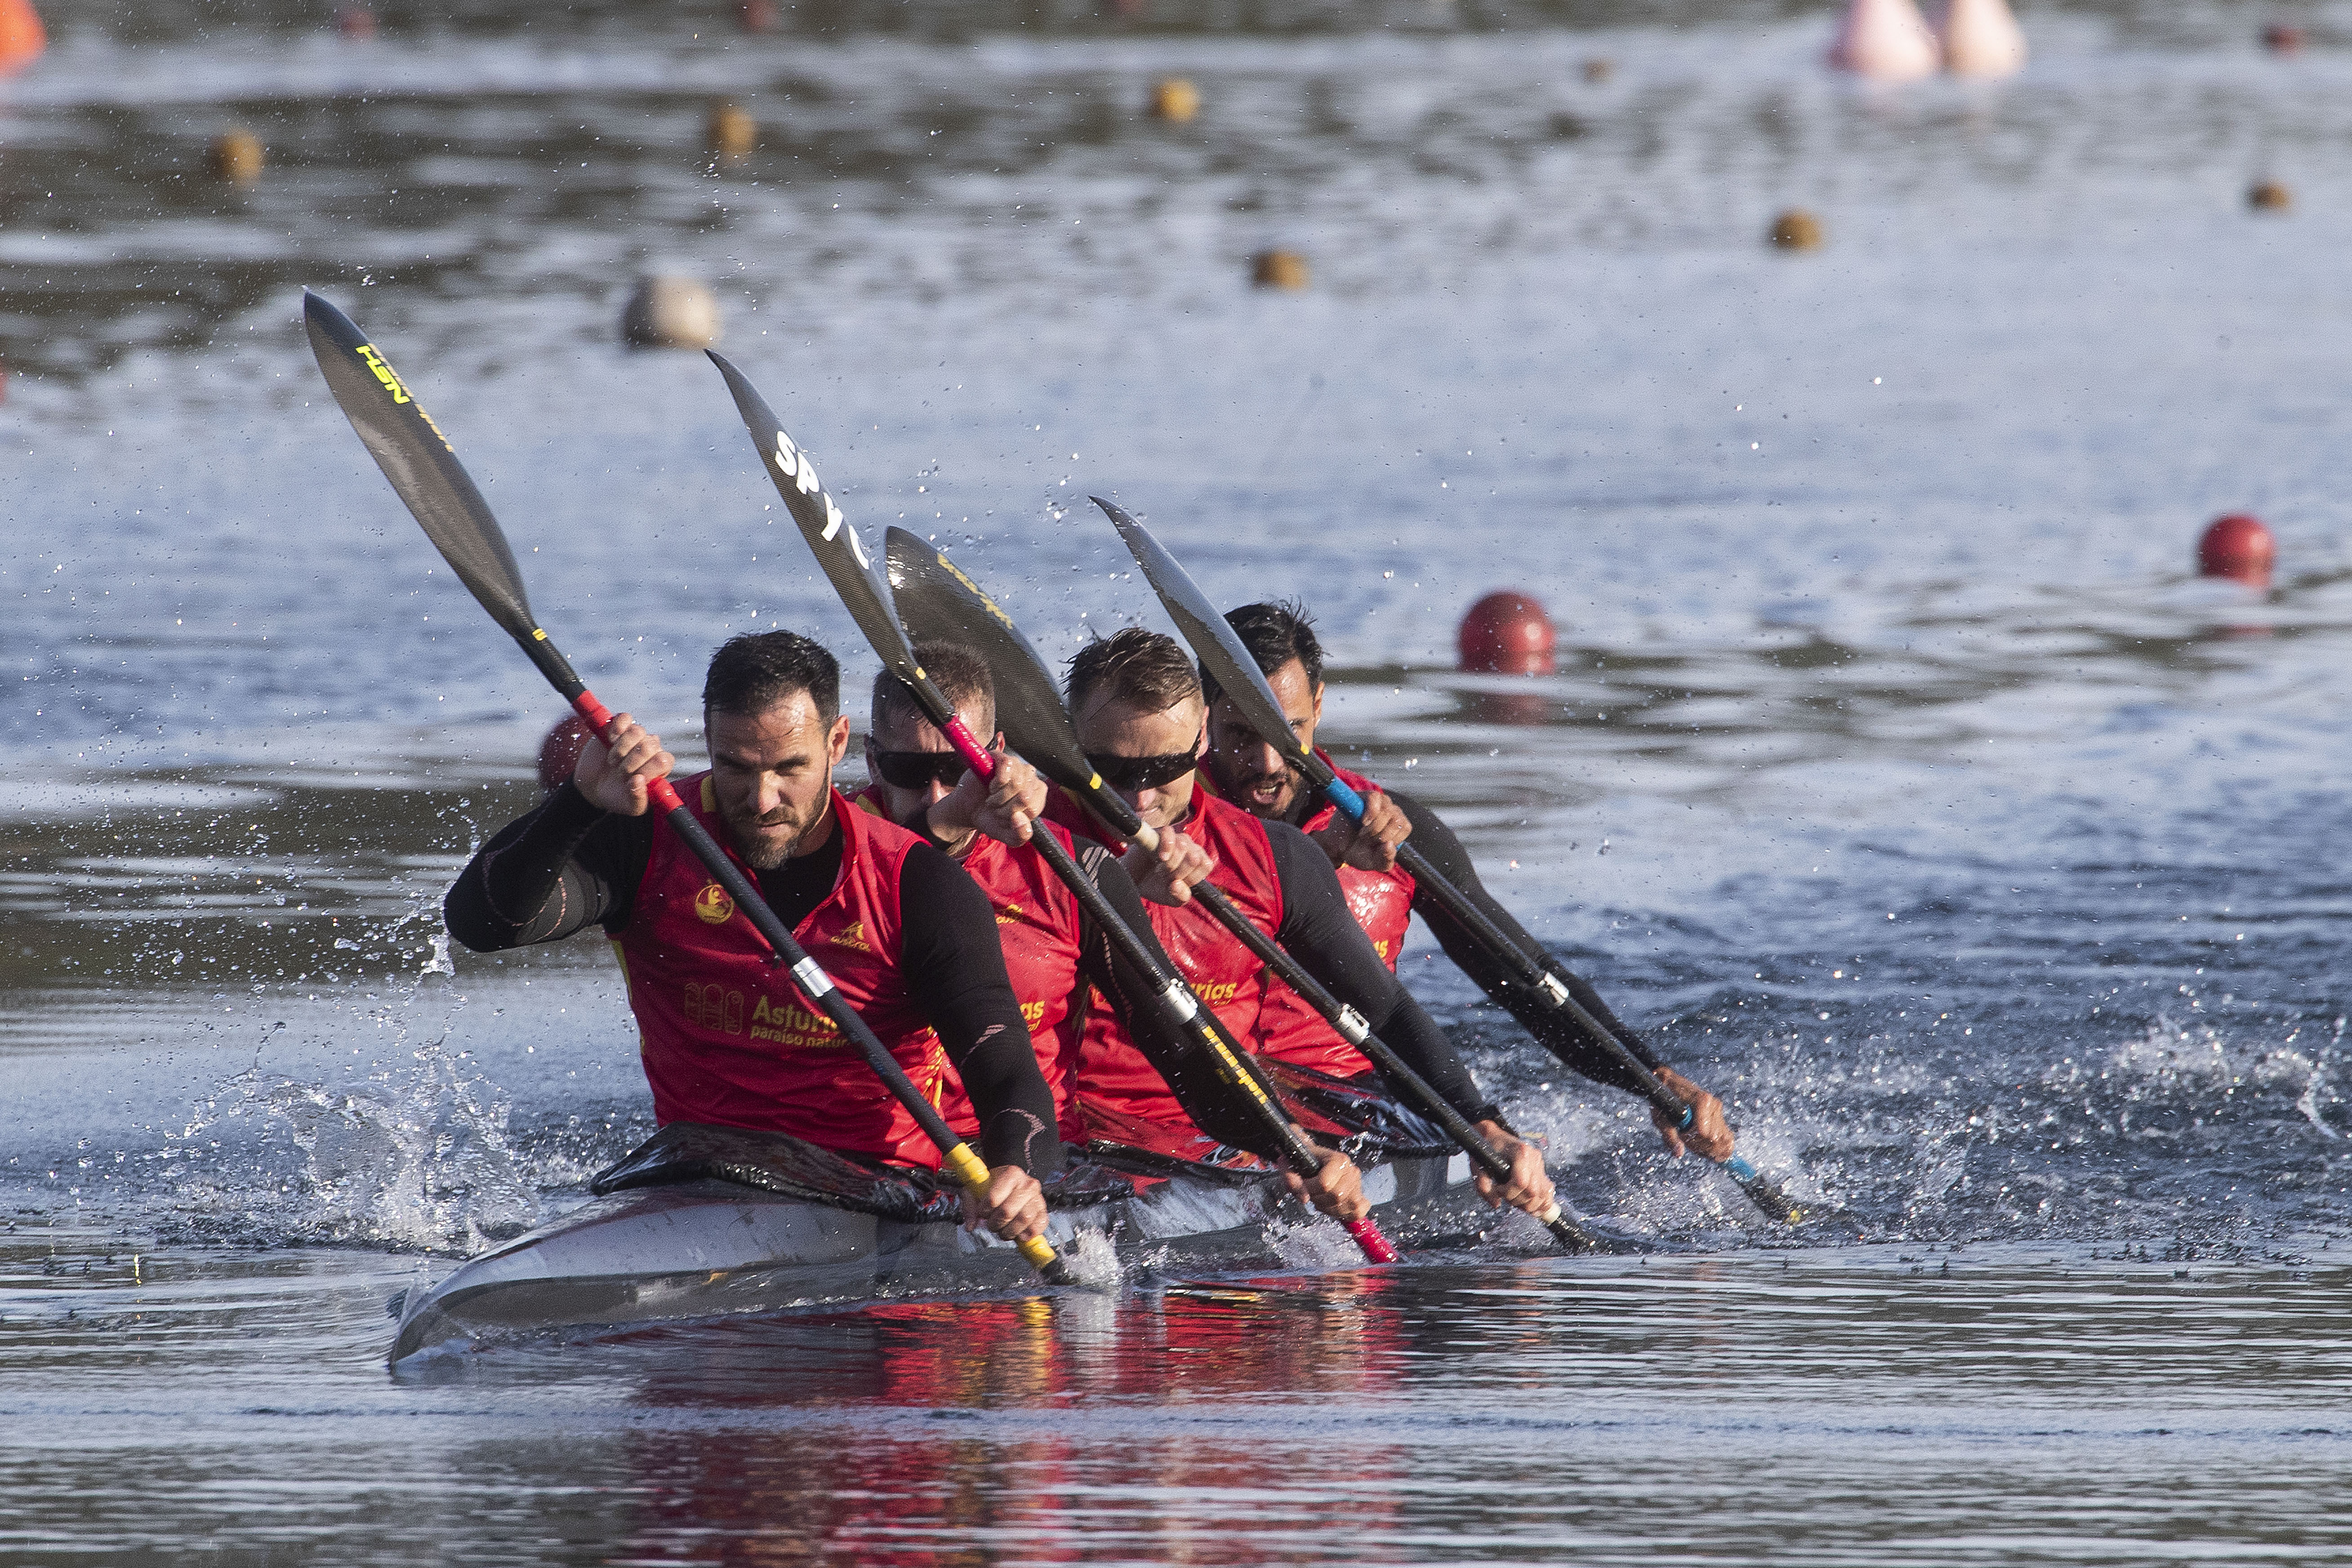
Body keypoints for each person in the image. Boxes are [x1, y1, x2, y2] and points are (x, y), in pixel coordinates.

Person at [442, 630, 1057, 1247]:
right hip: (694, 1180)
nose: (763, 800)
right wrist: (578, 804)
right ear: (707, 742)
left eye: (790, 768)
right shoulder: (649, 838)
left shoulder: (920, 884)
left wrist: (1017, 1174)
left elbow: (1005, 1071)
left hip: (876, 1195)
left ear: (837, 743)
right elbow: (484, 924)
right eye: (736, 767)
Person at [1198, 600, 1735, 1161]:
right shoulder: (1161, 839)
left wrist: (1649, 1074)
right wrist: (1320, 859)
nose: (1266, 763)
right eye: (1241, 733)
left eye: (1289, 731)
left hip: (1346, 1098)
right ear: (1203, 716)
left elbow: (1521, 978)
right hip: (1195, 1100)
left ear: (1320, 704)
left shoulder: (1393, 831)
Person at [1052, 627, 1555, 1222]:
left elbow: (1386, 1010)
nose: (1135, 802)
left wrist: (1481, 1125)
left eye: (1162, 769)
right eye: (1110, 769)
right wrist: (1118, 884)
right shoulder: (1024, 848)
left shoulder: (1278, 858)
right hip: (1076, 1139)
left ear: (1198, 745)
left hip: (1225, 1127)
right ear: (1069, 744)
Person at [856, 641, 1371, 1221]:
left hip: (1027, 1164)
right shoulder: (824, 857)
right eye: (908, 771)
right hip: (863, 1158)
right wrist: (946, 825)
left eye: (956, 771)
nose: (936, 794)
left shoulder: (1072, 867)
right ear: (872, 762)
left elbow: (1181, 1046)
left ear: (994, 756)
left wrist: (1292, 1147)